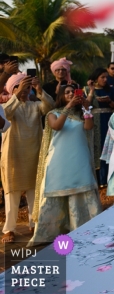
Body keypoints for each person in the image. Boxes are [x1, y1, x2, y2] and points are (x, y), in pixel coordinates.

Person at [29, 85, 102, 244]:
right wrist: (68, 107)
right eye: (67, 92)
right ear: (61, 96)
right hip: (59, 160)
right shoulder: (52, 114)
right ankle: (54, 230)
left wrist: (85, 108)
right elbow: (57, 126)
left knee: (81, 188)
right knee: (57, 189)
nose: (70, 94)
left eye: (73, 92)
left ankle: (82, 228)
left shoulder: (82, 115)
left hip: (79, 158)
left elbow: (89, 127)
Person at [1, 73, 55, 242]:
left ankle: (34, 224)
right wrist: (17, 95)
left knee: (34, 191)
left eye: (27, 87)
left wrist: (39, 90)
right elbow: (6, 114)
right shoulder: (7, 105)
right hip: (13, 154)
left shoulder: (35, 105)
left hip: (34, 152)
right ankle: (9, 229)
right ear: (13, 89)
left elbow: (49, 108)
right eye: (20, 87)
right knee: (12, 192)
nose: (25, 91)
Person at [84, 67, 114, 188]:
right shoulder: (87, 89)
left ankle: (108, 178)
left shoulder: (111, 90)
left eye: (106, 77)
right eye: (102, 77)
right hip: (94, 120)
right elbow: (85, 106)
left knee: (109, 146)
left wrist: (110, 102)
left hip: (109, 119)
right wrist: (91, 91)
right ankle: (97, 178)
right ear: (95, 78)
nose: (105, 79)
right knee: (95, 146)